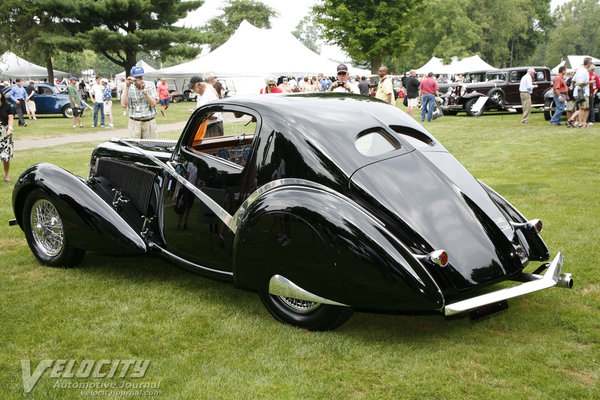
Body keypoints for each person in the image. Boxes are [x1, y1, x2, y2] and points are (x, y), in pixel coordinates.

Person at [121, 66, 159, 139]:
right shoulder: (128, 87)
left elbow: (153, 104)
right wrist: (127, 87)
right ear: (132, 77)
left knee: (150, 147)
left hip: (149, 121)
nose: (139, 79)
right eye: (137, 77)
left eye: (141, 76)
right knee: (134, 147)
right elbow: (124, 105)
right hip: (135, 122)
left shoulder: (150, 85)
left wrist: (144, 91)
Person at [569, 58, 593, 129]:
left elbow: (573, 81)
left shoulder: (579, 70)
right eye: (590, 63)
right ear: (588, 63)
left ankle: (582, 123)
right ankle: (580, 124)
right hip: (582, 92)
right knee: (582, 108)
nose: (591, 64)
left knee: (584, 108)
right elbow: (581, 83)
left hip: (578, 91)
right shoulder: (584, 72)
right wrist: (590, 82)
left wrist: (574, 85)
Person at [0, 90, 15, 182]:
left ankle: (6, 175)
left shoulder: (7, 106)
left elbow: (10, 118)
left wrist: (10, 129)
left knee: (6, 156)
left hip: (5, 132)